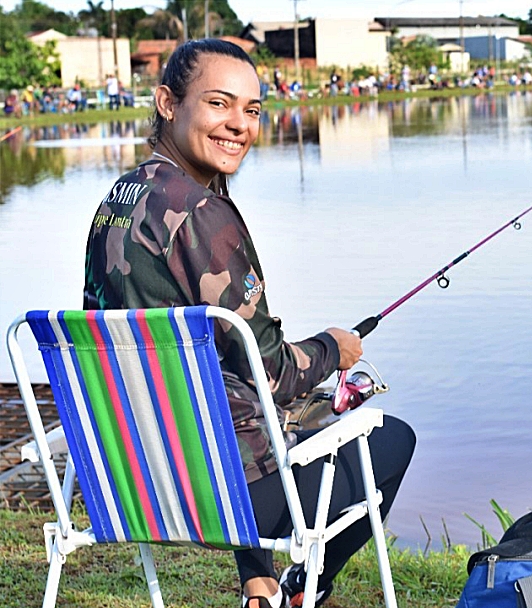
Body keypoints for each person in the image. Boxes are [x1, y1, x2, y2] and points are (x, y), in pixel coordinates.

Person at [81, 39, 415, 608]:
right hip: (225, 494)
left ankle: (257, 585)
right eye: (218, 103)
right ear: (167, 102)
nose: (239, 124)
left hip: (135, 480)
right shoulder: (203, 215)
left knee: (236, 403)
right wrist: (334, 348)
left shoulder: (117, 200)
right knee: (391, 439)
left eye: (253, 110)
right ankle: (303, 590)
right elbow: (278, 373)